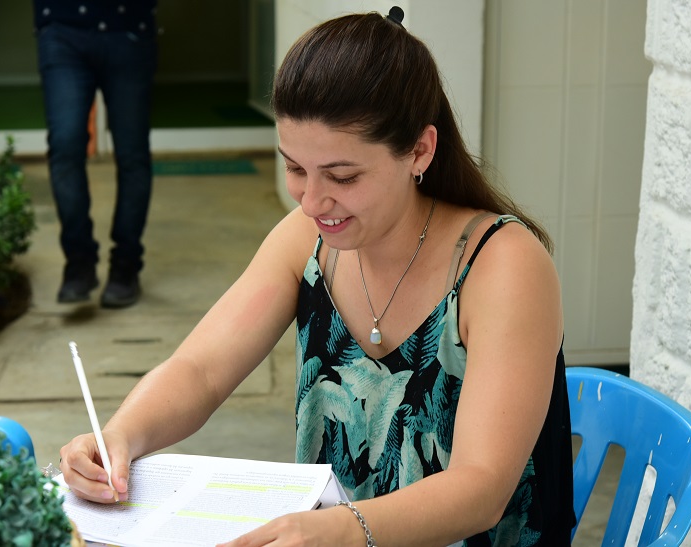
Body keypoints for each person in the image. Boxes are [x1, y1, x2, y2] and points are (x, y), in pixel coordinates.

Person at [59, 7, 575, 546]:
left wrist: (340, 531)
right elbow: (200, 370)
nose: (311, 201)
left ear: (420, 150)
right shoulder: (308, 240)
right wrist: (119, 436)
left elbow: (481, 488)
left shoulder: (501, 265)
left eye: (343, 176)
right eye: (295, 168)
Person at [33, 0, 158, 308]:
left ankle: (126, 265)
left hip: (128, 28)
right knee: (65, 145)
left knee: (132, 153)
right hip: (62, 28)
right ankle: (79, 263)